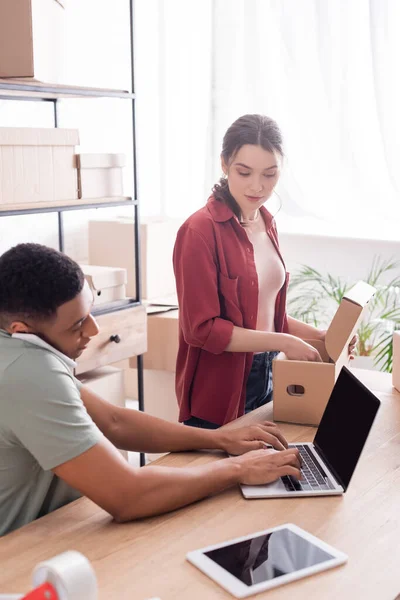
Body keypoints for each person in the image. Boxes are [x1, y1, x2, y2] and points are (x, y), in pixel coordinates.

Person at [0, 243, 301, 536]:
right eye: (77, 325)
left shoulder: (19, 352)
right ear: (22, 330)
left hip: (48, 532)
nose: (93, 330)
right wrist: (237, 469)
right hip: (15, 559)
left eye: (90, 312)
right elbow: (127, 495)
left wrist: (219, 439)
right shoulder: (28, 371)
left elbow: (113, 421)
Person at [173, 114, 356, 429]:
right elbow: (201, 330)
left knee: (269, 472)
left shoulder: (267, 222)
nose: (257, 186)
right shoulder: (198, 231)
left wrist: (318, 337)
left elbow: (267, 315)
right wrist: (283, 341)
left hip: (269, 373)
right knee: (221, 477)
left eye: (269, 175)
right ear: (224, 164)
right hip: (220, 390)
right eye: (244, 172)